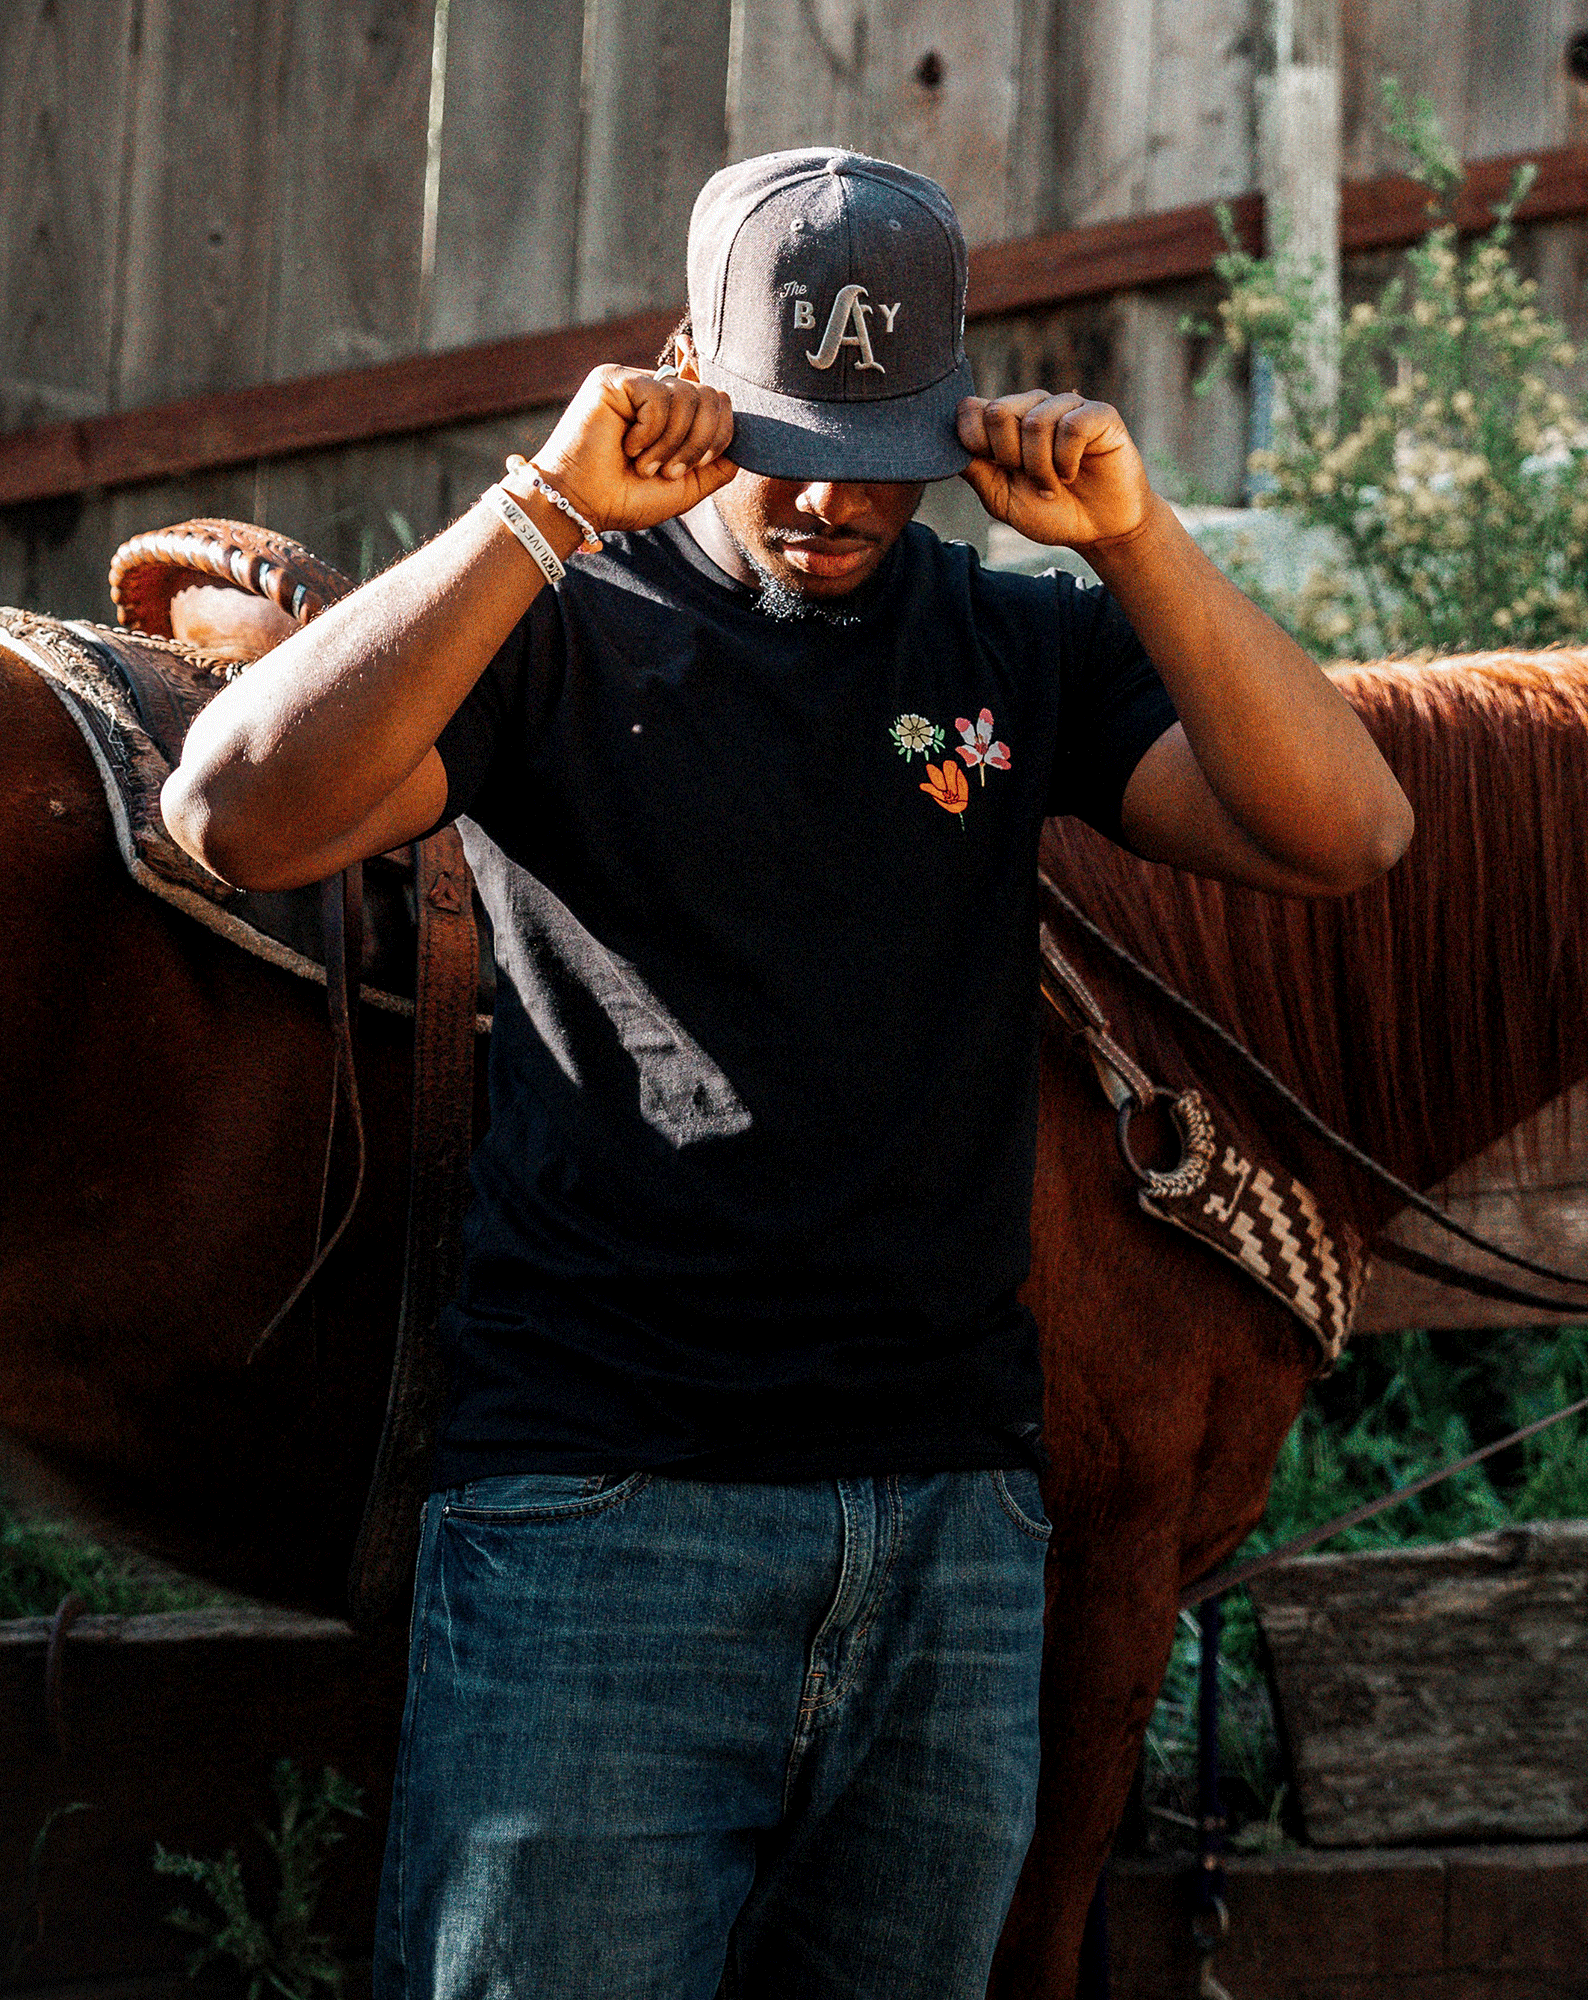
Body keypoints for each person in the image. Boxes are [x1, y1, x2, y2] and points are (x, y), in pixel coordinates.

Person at [163, 148, 1411, 2000]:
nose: (832, 494)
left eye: (884, 447)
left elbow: (1351, 831)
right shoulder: (554, 634)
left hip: (956, 1538)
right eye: (783, 432)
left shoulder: (1013, 645)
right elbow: (233, 816)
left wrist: (1141, 540)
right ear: (680, 373)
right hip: (606, 1531)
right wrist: (531, 513)